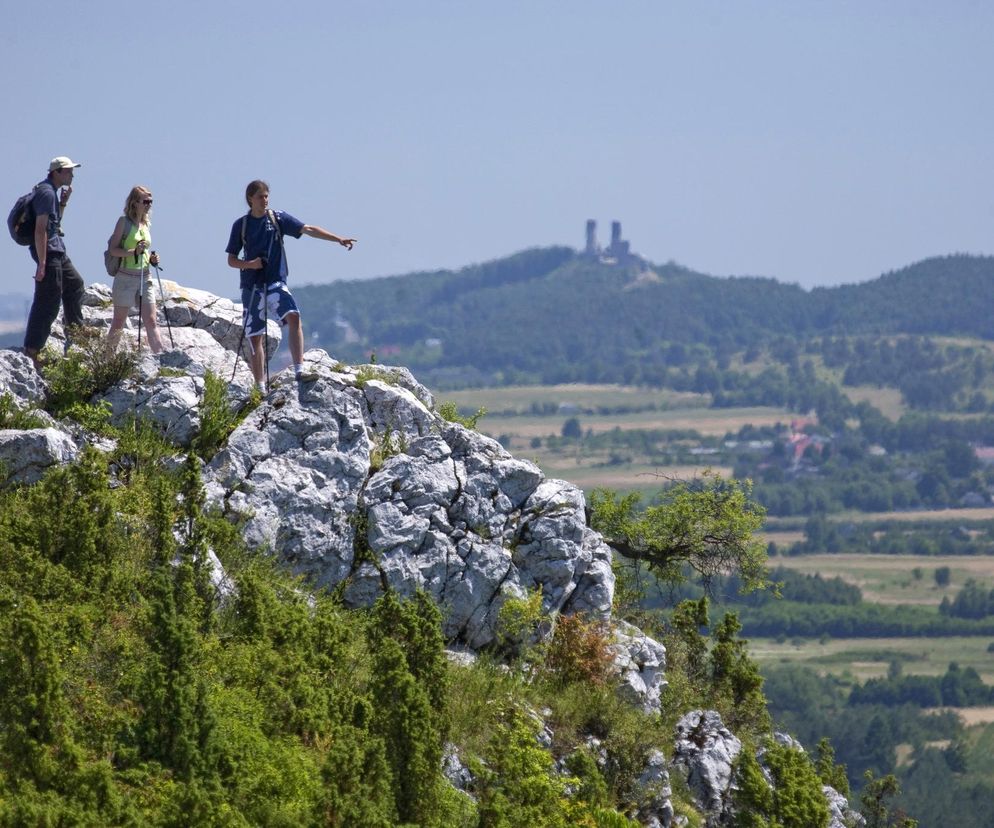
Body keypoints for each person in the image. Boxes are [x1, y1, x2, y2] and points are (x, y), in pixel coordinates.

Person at [226, 179, 355, 393]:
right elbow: (231, 260)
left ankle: (298, 370)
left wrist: (338, 239)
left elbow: (308, 229)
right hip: (252, 286)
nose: (265, 200)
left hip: (275, 281)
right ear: (250, 199)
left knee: (293, 315)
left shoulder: (278, 218)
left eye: (267, 196)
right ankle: (260, 386)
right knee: (255, 335)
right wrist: (251, 264)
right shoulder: (241, 225)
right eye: (260, 196)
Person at [23, 156, 86, 368]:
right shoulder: (46, 193)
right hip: (48, 253)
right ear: (57, 172)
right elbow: (40, 229)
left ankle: (76, 334)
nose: (72, 175)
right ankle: (32, 351)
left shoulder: (52, 193)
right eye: (68, 171)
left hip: (56, 250)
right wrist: (42, 263)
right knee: (48, 300)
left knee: (75, 284)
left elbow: (52, 224)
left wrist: (64, 203)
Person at [106, 186, 164, 353]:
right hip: (125, 278)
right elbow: (113, 250)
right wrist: (134, 252)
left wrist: (152, 259)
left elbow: (143, 251)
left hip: (145, 277)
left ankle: (160, 358)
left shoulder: (145, 224)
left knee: (151, 320)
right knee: (119, 322)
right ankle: (107, 360)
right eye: (145, 201)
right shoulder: (123, 222)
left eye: (150, 202)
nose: (149, 205)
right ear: (135, 202)